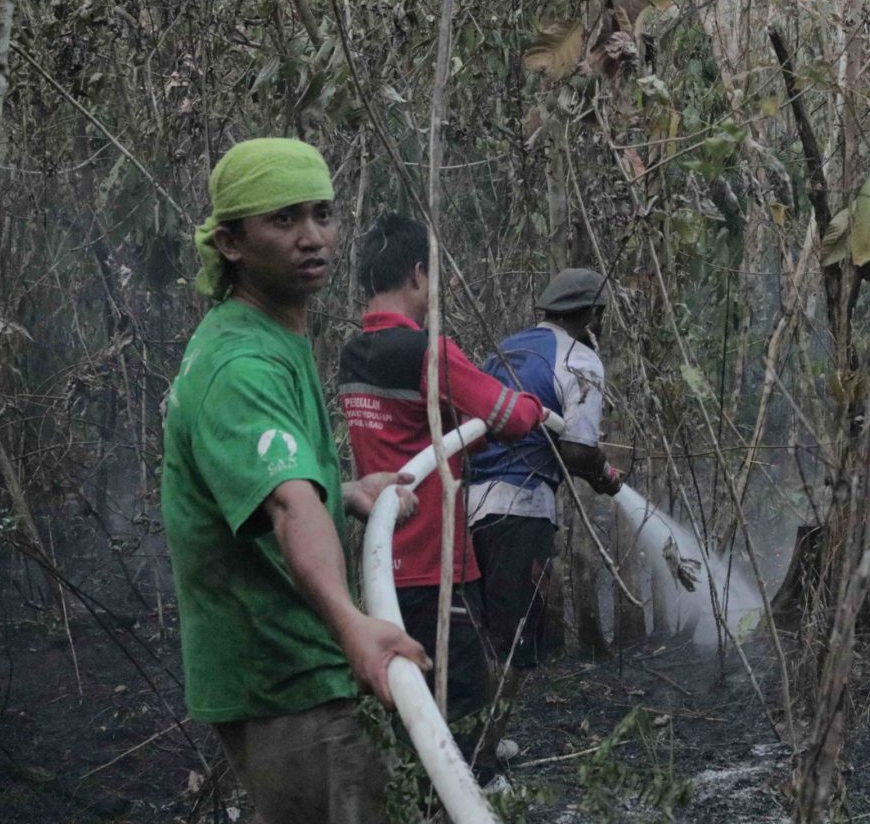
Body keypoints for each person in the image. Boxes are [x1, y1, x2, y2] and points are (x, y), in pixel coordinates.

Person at [161, 138, 431, 824]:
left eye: (322, 213)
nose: (313, 237)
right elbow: (285, 506)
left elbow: (268, 483)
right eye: (284, 220)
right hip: (286, 674)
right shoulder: (243, 367)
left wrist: (340, 492)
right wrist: (353, 627)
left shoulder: (265, 334)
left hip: (286, 662)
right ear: (230, 242)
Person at [338, 213, 549, 778]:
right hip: (437, 565)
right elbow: (508, 415)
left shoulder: (354, 354)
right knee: (457, 708)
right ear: (417, 273)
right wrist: (535, 408)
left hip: (383, 570)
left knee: (405, 709)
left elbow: (410, 429)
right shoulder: (425, 351)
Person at [466, 268, 624, 671]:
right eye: (600, 317)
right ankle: (496, 734)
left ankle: (473, 729)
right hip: (522, 510)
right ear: (588, 315)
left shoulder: (505, 348)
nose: (601, 327)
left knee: (479, 632)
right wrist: (604, 474)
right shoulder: (580, 359)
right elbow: (576, 450)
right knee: (514, 639)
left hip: (469, 509)